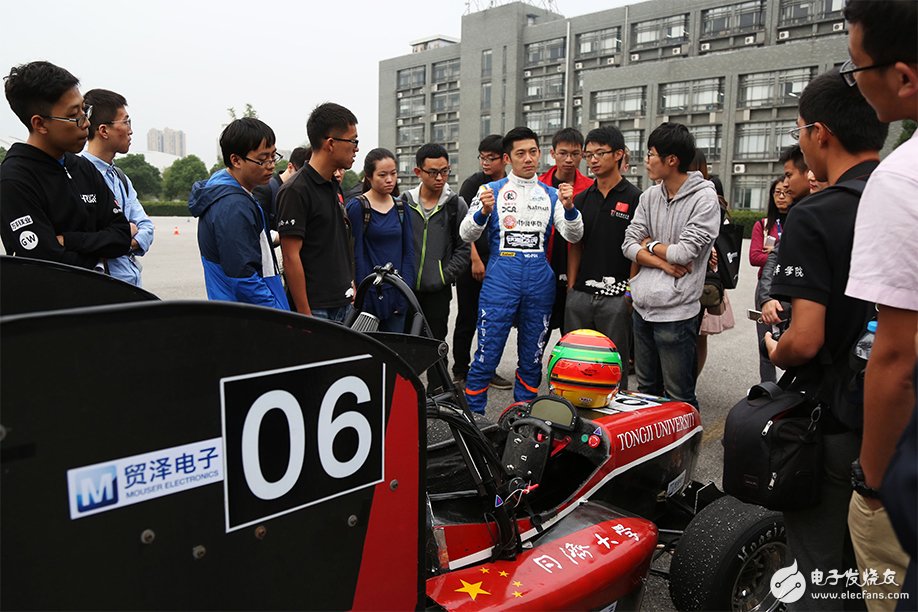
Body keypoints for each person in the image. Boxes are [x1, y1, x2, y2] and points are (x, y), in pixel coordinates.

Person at [763, 67, 888, 608]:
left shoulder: (818, 213)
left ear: (820, 133)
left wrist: (775, 348)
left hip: (837, 419)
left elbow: (806, 339)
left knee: (816, 570)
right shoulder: (903, 196)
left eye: (798, 131)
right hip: (898, 415)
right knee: (879, 574)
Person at [842, 0, 918, 604]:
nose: (856, 81)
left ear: (904, 76)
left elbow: (898, 356)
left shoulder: (901, 181)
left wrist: (872, 483)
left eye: (856, 66)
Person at [460, 127, 583, 414]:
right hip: (500, 279)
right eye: (520, 154)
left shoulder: (551, 194)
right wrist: (482, 213)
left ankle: (523, 421)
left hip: (540, 280)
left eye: (532, 152)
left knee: (531, 360)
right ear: (508, 158)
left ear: (539, 153)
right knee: (486, 357)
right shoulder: (490, 191)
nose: (528, 159)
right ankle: (473, 421)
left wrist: (570, 209)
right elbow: (466, 233)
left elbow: (573, 235)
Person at [622, 123, 720, 410]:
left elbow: (685, 252)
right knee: (646, 391)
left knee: (679, 396)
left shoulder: (704, 198)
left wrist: (650, 244)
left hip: (677, 311)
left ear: (672, 160)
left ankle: (684, 453)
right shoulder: (649, 196)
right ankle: (653, 454)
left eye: (651, 154)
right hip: (642, 307)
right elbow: (628, 243)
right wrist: (660, 263)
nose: (647, 160)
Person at [0, 61, 130, 270]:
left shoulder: (83, 167)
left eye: (83, 111)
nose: (86, 123)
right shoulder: (14, 180)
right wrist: (98, 257)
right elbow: (46, 263)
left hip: (102, 299)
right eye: (73, 116)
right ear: (40, 124)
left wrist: (69, 240)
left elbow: (121, 235)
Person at [188, 118, 288, 310]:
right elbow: (243, 278)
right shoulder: (233, 205)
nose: (270, 165)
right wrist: (277, 312)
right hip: (248, 317)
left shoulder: (230, 191)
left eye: (273, 156)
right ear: (236, 160)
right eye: (262, 159)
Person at [565, 126, 641, 375]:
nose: (593, 160)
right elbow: (575, 244)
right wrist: (572, 286)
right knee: (575, 359)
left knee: (613, 364)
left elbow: (637, 249)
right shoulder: (582, 199)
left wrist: (629, 294)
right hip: (581, 295)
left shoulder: (636, 198)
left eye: (600, 153)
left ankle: (613, 412)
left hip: (617, 297)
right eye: (589, 155)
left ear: (618, 154)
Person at [277, 103, 357, 321]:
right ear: (331, 143)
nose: (356, 148)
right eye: (353, 141)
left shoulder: (332, 185)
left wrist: (349, 283)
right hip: (317, 309)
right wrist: (305, 316)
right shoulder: (296, 191)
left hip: (343, 302)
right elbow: (290, 257)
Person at [453, 134, 511, 389]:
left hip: (500, 263)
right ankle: (460, 370)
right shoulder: (474, 184)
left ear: (504, 159)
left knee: (493, 320)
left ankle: (488, 369)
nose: (485, 163)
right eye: (482, 157)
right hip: (473, 262)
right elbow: (463, 224)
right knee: (467, 317)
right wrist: (474, 259)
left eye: (491, 158)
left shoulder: (510, 185)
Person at [81, 88, 154, 287]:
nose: (130, 130)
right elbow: (87, 239)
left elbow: (146, 227)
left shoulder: (120, 177)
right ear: (103, 130)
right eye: (126, 122)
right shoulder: (77, 175)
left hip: (130, 282)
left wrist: (117, 242)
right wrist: (125, 234)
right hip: (101, 288)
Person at [403, 144, 469, 350]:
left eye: (444, 171)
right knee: (404, 341)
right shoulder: (403, 203)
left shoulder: (456, 205)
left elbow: (464, 248)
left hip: (438, 290)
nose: (440, 178)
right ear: (418, 172)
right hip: (406, 289)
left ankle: (437, 383)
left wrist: (443, 276)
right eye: (433, 172)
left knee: (436, 342)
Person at [346, 148, 415, 332]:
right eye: (382, 175)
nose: (390, 180)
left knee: (394, 353)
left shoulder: (402, 207)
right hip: (369, 295)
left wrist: (405, 293)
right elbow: (356, 254)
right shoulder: (357, 207)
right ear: (368, 176)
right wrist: (364, 294)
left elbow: (409, 252)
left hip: (397, 294)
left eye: (393, 174)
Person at [539, 128, 594, 334]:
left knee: (573, 331)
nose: (569, 159)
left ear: (582, 155)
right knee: (538, 330)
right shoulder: (539, 186)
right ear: (552, 154)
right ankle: (528, 367)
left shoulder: (590, 188)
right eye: (563, 153)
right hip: (545, 266)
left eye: (575, 154)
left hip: (577, 268)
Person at [691, 150, 734, 378]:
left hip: (706, 276)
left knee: (699, 333)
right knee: (698, 335)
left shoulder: (709, 199)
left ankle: (690, 379)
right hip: (707, 274)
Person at [749, 179, 790, 382]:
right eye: (777, 192)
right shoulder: (763, 225)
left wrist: (774, 252)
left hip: (791, 289)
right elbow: (754, 257)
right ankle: (768, 389)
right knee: (765, 341)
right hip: (765, 290)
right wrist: (779, 254)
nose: (781, 196)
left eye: (785, 192)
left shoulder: (800, 221)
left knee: (793, 341)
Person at [253, 145, 309, 236]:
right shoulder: (265, 189)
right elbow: (256, 229)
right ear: (290, 167)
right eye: (300, 175)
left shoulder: (301, 193)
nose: (302, 181)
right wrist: (287, 236)